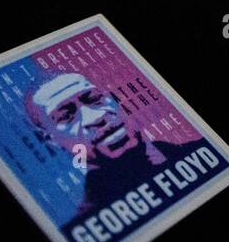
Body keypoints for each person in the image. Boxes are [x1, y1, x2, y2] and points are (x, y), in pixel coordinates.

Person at [25, 72, 209, 214]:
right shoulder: (88, 225)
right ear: (51, 139)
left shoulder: (205, 152)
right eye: (66, 116)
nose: (96, 116)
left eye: (95, 98)